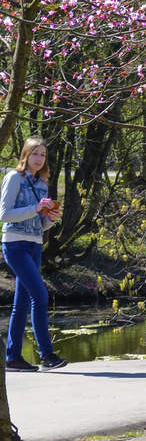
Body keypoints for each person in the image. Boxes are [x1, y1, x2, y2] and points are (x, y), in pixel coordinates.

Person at [2, 137, 66, 371]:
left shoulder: (42, 184)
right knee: (39, 296)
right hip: (15, 244)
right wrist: (35, 209)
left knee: (22, 302)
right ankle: (47, 355)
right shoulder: (13, 178)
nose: (39, 159)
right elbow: (5, 215)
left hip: (34, 244)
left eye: (43, 155)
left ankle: (12, 358)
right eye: (35, 153)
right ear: (25, 155)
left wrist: (49, 219)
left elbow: (38, 223)